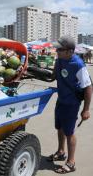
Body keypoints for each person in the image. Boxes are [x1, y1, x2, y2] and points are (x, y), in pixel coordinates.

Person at [48, 36, 92, 174]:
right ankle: (61, 152)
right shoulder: (60, 60)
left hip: (72, 103)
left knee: (69, 132)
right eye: (57, 48)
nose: (57, 51)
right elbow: (53, 76)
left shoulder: (78, 64)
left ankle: (71, 162)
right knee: (59, 128)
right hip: (61, 100)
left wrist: (86, 110)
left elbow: (88, 87)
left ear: (70, 51)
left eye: (60, 49)